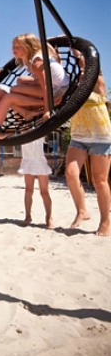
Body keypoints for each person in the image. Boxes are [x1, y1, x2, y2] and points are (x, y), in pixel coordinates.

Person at [64, 70, 111, 236]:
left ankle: (105, 220)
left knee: (100, 181)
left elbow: (91, 71)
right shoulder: (74, 87)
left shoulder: (98, 84)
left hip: (101, 137)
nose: (82, 72)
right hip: (78, 136)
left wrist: (84, 65)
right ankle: (82, 211)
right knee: (70, 174)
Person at [10, 33, 70, 120]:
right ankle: (31, 109)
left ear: (27, 47)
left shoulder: (36, 62)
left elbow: (45, 86)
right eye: (13, 46)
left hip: (59, 89)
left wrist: (47, 110)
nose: (13, 49)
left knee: (14, 90)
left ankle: (43, 105)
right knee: (20, 80)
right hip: (55, 83)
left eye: (17, 47)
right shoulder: (29, 61)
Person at [18, 137, 53, 228]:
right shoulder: (22, 130)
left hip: (40, 161)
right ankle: (27, 216)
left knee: (44, 192)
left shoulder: (40, 129)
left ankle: (49, 217)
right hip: (28, 161)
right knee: (28, 190)